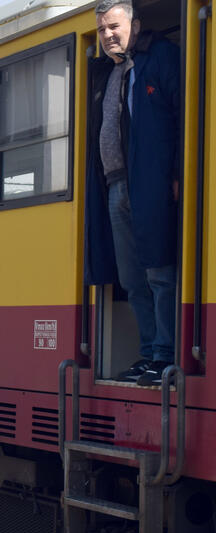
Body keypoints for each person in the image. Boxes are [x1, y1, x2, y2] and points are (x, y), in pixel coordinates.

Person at [85, 0, 180, 387]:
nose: (109, 35)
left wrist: (174, 174)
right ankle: (148, 353)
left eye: (115, 26)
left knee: (159, 270)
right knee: (131, 276)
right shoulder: (107, 72)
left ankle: (167, 354)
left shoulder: (160, 58)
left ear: (135, 25)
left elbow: (183, 117)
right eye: (103, 29)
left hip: (152, 182)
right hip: (115, 184)